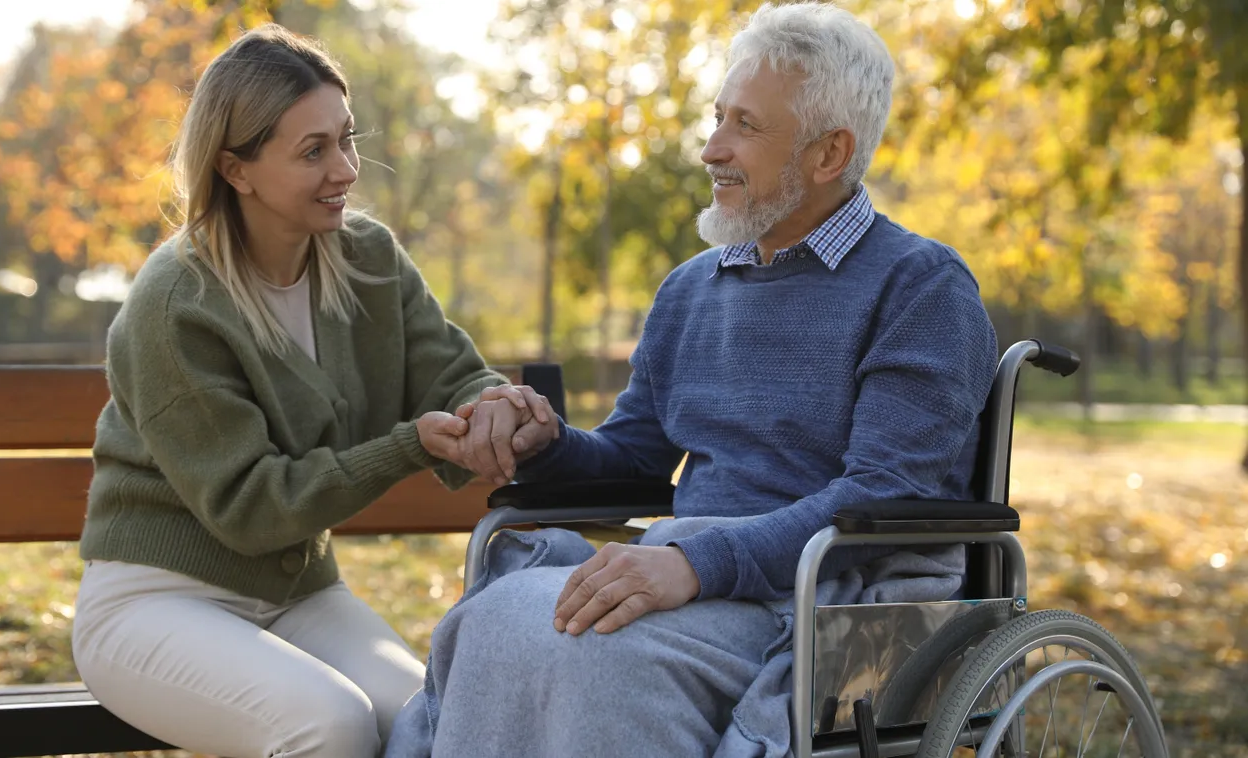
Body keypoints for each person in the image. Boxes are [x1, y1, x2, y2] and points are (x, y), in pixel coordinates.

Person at [387, 3, 1000, 756]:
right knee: (496, 620)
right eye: (716, 120)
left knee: (599, 657)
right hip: (698, 574)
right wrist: (545, 442)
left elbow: (877, 493)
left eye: (743, 125)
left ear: (827, 153)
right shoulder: (690, 289)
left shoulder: (919, 288)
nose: (711, 149)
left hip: (828, 596)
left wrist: (694, 564)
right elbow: (635, 457)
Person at [70, 24, 550, 758]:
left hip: (299, 595)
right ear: (236, 169)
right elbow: (252, 509)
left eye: (346, 139)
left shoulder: (367, 258)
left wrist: (494, 407)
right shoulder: (176, 304)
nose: (347, 169)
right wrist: (405, 447)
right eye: (313, 151)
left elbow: (449, 371)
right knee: (326, 726)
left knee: (433, 722)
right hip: (155, 601)